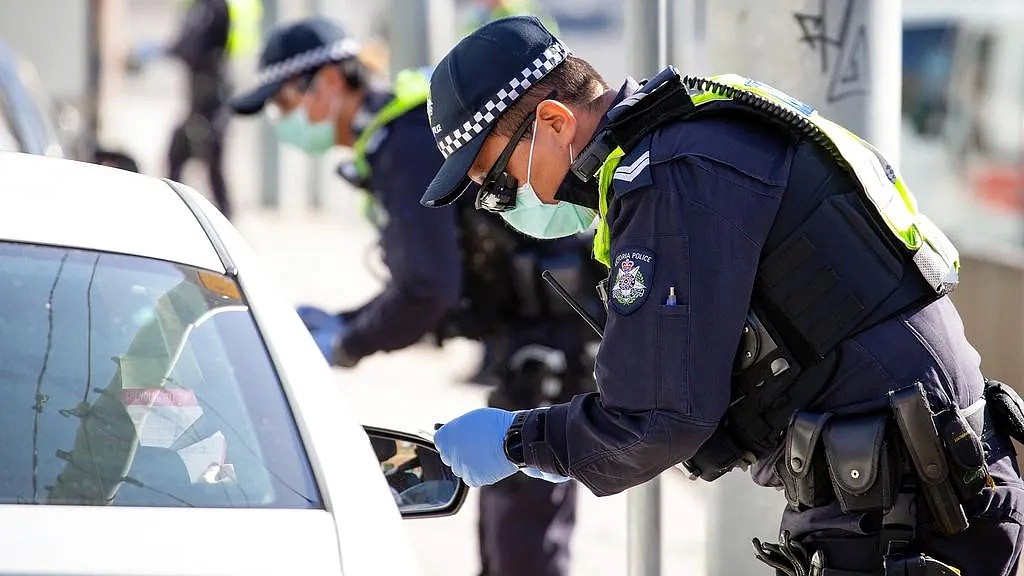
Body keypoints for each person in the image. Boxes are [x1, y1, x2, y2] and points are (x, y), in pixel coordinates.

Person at [421, 16, 1024, 575]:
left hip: (911, 512)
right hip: (915, 495)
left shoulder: (671, 175)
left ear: (554, 122)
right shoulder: (692, 137)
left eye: (498, 183)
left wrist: (517, 440)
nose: (504, 205)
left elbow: (657, 417)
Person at [228, 18, 593, 576]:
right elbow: (427, 285)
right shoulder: (397, 133)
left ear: (328, 82)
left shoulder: (403, 142)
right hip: (527, 341)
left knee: (521, 546)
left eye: (284, 101)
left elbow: (428, 290)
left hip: (546, 347)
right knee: (507, 534)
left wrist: (349, 341)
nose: (282, 121)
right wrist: (343, 321)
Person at [132, 0, 261, 220]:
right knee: (178, 157)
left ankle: (224, 224)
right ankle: (175, 216)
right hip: (200, 99)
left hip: (212, 100)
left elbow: (191, 47)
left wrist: (161, 50)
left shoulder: (212, 7)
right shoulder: (201, 6)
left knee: (212, 162)